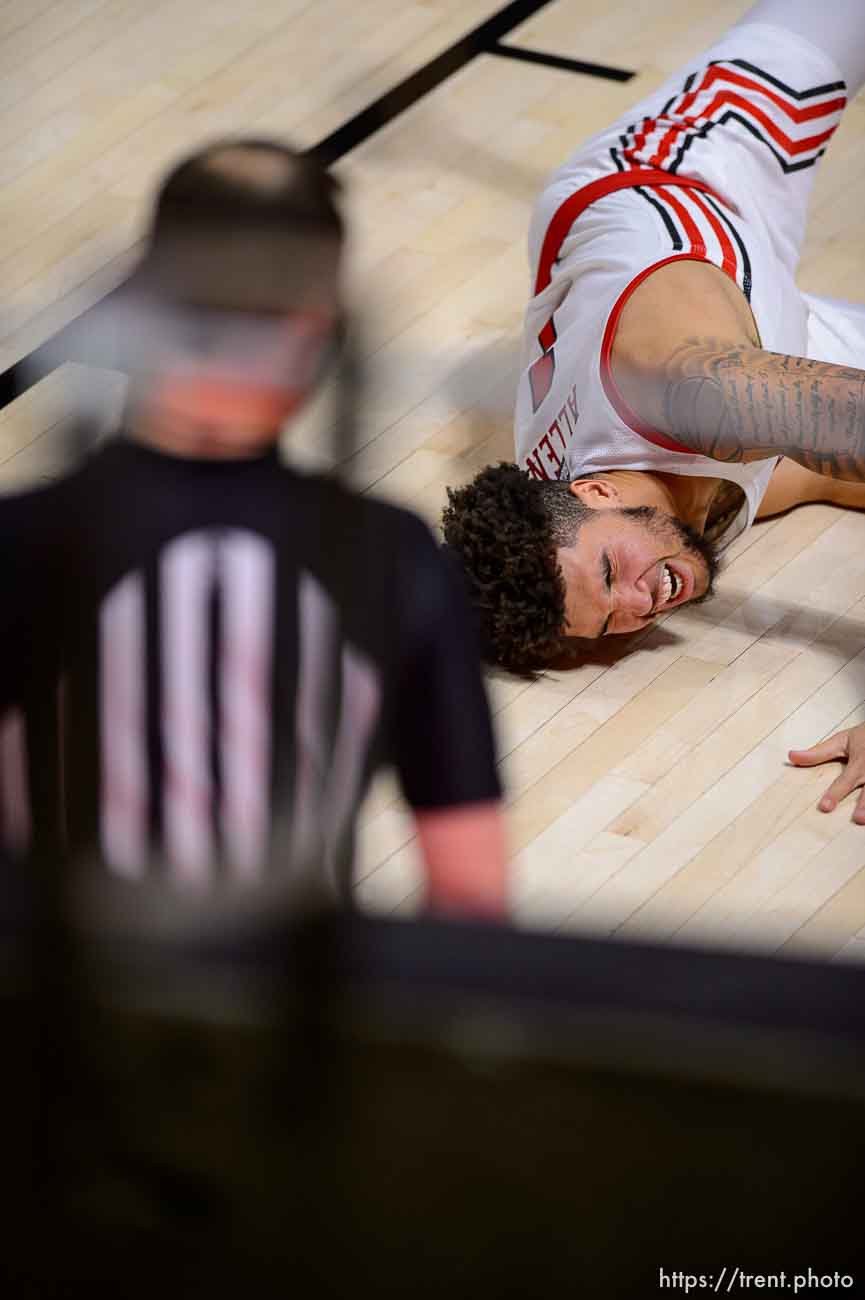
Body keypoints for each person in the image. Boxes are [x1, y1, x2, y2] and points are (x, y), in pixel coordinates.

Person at [0, 139, 507, 919]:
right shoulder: (390, 558)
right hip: (291, 1024)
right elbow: (471, 894)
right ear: (319, 331)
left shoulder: (18, 542)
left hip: (48, 1026)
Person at [442, 0, 865, 821]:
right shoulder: (668, 521)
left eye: (611, 576)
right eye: (610, 625)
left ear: (593, 490)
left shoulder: (693, 399)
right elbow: (830, 481)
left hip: (683, 181)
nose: (639, 606)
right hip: (784, 337)